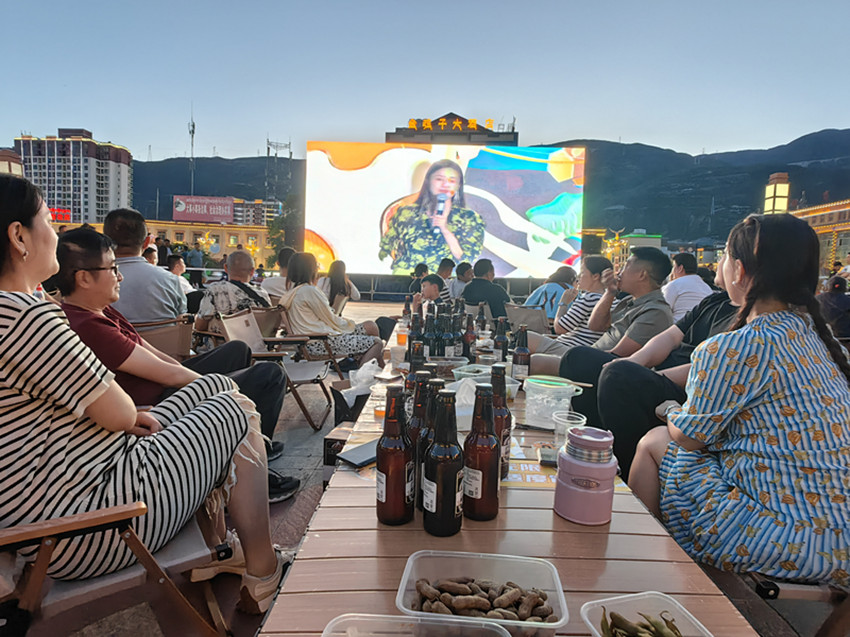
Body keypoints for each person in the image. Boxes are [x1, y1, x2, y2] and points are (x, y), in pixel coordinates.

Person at [0, 175, 286, 612]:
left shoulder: (18, 312)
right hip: (89, 523)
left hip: (56, 507)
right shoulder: (27, 317)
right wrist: (127, 413)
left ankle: (228, 548)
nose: (54, 234)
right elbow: (118, 413)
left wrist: (130, 413)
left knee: (217, 386)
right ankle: (261, 568)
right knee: (235, 407)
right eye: (47, 223)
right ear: (19, 237)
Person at [628, 214, 850, 588]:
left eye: (725, 258)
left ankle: (640, 569)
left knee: (654, 441)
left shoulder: (733, 347)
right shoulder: (825, 342)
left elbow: (689, 438)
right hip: (840, 541)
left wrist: (670, 410)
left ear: (740, 270)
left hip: (776, 539)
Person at [56, 228, 294, 485]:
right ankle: (254, 470)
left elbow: (158, 356)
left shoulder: (103, 311)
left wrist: (208, 382)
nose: (120, 276)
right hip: (156, 406)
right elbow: (168, 375)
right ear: (84, 278)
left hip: (165, 384)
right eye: (113, 269)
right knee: (269, 374)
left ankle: (251, 443)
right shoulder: (88, 326)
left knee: (237, 350)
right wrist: (220, 388)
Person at [596, 284, 737, 480]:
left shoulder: (748, 328)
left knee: (618, 376)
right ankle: (594, 449)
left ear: (740, 270)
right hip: (661, 376)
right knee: (581, 360)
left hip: (692, 391)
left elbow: (711, 372)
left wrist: (649, 376)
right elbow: (671, 336)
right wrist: (636, 361)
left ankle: (620, 471)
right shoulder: (716, 300)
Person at [537, 247, 674, 424]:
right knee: (532, 357)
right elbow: (595, 326)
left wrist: (583, 357)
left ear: (642, 275)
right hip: (592, 359)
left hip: (606, 370)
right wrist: (609, 292)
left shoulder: (655, 311)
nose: (619, 272)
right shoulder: (629, 301)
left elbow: (620, 354)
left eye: (625, 266)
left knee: (538, 361)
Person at [378, 159, 485, 274]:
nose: (445, 184)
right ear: (428, 181)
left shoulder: (469, 219)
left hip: (448, 281)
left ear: (458, 185)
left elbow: (467, 260)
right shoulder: (406, 213)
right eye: (439, 179)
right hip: (407, 279)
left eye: (452, 180)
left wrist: (444, 229)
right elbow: (390, 248)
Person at [279, 252, 383, 367]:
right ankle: (363, 374)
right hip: (322, 342)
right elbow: (330, 318)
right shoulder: (309, 291)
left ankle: (369, 364)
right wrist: (348, 324)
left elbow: (327, 317)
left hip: (314, 340)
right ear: (310, 270)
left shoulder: (293, 292)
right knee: (377, 342)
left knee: (370, 326)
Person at [102, 209, 186, 325]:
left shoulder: (91, 283)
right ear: (146, 242)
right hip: (164, 337)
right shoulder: (170, 280)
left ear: (105, 241)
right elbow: (182, 318)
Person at [526, 256, 613, 357]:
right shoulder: (611, 300)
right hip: (579, 348)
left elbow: (560, 328)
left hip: (571, 349)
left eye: (582, 272)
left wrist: (563, 303)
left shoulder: (590, 298)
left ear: (595, 276)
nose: (578, 277)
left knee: (526, 337)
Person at [195, 251, 272, 333]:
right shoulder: (262, 293)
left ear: (225, 268)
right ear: (252, 271)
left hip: (221, 340)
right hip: (254, 340)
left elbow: (200, 326)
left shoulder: (215, 290)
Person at [661, 252, 713, 321]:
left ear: (680, 268)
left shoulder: (674, 285)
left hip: (677, 325)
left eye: (673, 266)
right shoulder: (706, 288)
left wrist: (670, 283)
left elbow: (661, 310)